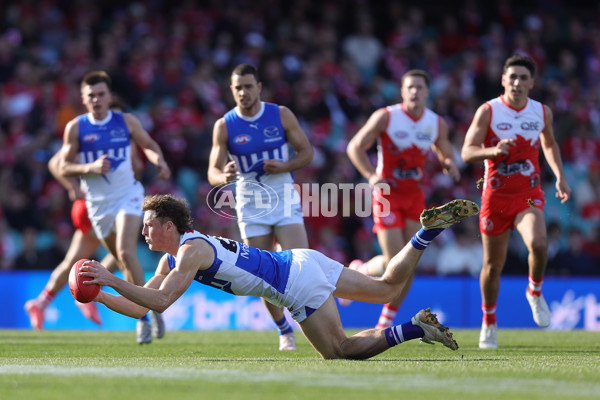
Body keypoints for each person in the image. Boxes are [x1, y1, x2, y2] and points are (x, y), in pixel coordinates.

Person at [78, 194, 479, 360]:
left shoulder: (191, 251)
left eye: (148, 225)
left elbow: (161, 302)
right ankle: (425, 235)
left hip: (292, 283)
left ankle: (413, 329)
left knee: (338, 351)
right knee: (387, 288)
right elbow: (140, 306)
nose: (143, 232)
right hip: (299, 261)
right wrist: (98, 295)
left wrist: (110, 279)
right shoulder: (177, 257)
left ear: (168, 225)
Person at [460, 54, 571, 349]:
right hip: (495, 197)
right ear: (503, 80)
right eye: (512, 77)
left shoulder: (541, 112)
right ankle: (489, 322)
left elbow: (549, 143)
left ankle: (534, 291)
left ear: (532, 83)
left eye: (523, 78)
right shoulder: (489, 112)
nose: (517, 83)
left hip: (527, 195)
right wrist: (492, 151)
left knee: (539, 243)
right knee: (493, 266)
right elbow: (467, 152)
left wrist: (559, 175)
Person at [56, 71, 172, 344]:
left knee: (125, 250)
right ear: (83, 99)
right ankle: (149, 308)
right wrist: (89, 168)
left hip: (128, 196)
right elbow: (62, 166)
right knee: (121, 259)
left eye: (101, 94)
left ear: (110, 97)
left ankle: (143, 313)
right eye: (91, 95)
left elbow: (149, 144)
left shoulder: (126, 121)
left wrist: (160, 161)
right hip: (97, 205)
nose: (96, 99)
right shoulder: (76, 127)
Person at [207, 64, 314, 351]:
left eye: (248, 86)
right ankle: (283, 330)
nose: (243, 92)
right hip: (250, 203)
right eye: (238, 87)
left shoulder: (280, 114)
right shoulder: (225, 125)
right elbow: (212, 172)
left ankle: (314, 326)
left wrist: (286, 165)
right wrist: (224, 177)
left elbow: (307, 152)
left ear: (259, 87)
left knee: (301, 264)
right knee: (263, 274)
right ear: (232, 90)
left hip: (282, 196)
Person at [346, 69, 460, 329]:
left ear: (427, 92)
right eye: (410, 87)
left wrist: (449, 163)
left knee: (407, 263)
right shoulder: (386, 117)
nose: (414, 92)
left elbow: (445, 151)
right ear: (402, 91)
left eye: (419, 87)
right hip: (386, 194)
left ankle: (382, 314)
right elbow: (354, 147)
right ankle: (375, 302)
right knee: (396, 259)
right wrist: (370, 175)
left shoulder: (436, 123)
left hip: (414, 197)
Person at [24, 100, 149, 331]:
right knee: (122, 252)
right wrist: (71, 186)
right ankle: (96, 294)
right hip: (93, 206)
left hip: (96, 206)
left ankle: (41, 302)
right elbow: (55, 163)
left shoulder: (121, 140)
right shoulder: (94, 136)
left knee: (78, 259)